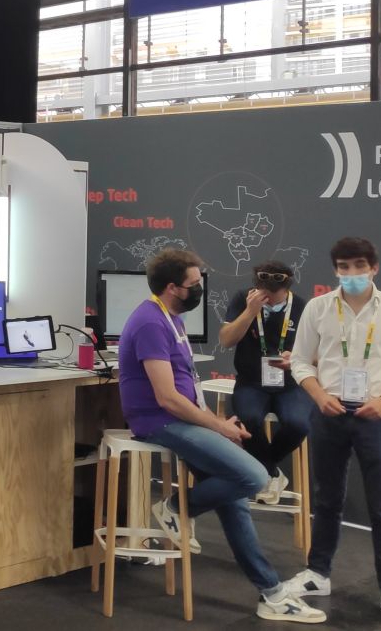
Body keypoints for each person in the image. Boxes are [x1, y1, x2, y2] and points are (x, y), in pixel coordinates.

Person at [119, 248, 323, 623]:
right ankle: (175, 508)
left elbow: (186, 388)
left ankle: (272, 594)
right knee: (255, 476)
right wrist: (218, 426)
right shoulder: (150, 323)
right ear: (173, 287)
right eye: (194, 283)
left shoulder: (171, 318)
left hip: (183, 419)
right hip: (160, 422)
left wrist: (215, 423)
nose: (200, 289)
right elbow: (167, 398)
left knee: (235, 500)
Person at [285, 237, 381, 612]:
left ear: (373, 268)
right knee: (327, 498)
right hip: (328, 412)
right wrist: (318, 395)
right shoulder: (318, 308)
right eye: (344, 267)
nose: (351, 273)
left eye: (359, 266)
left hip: (376, 415)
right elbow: (300, 361)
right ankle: (318, 572)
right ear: (336, 270)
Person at [218, 261, 311, 504]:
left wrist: (296, 358)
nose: (267, 298)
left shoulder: (302, 307)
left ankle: (266, 469)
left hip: (290, 383)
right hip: (251, 382)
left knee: (299, 424)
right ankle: (272, 473)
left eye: (273, 295)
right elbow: (226, 340)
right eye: (263, 291)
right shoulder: (244, 299)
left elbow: (317, 352)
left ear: (287, 289)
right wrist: (250, 311)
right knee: (249, 419)